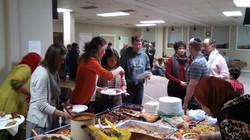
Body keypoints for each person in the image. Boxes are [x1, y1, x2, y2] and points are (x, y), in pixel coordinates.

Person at [26, 43, 72, 138]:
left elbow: (55, 93)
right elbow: (41, 105)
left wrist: (66, 102)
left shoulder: (52, 71)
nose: (63, 63)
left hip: (49, 117)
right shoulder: (42, 74)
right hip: (39, 120)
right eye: (61, 60)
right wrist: (63, 114)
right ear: (53, 59)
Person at [70, 36, 124, 111]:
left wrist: (97, 88)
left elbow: (87, 80)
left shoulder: (87, 58)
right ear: (99, 46)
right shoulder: (91, 61)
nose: (104, 52)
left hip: (83, 98)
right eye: (104, 49)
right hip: (82, 100)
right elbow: (108, 75)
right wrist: (119, 69)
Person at [0, 52, 41, 140]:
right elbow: (15, 82)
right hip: (7, 106)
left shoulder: (28, 73)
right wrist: (32, 93)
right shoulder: (25, 67)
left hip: (13, 107)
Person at [120, 35, 151, 105]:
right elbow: (121, 71)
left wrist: (147, 74)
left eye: (139, 44)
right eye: (135, 44)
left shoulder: (144, 55)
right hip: (128, 86)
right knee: (127, 107)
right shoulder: (125, 55)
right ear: (132, 43)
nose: (137, 46)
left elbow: (147, 68)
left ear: (142, 44)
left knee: (138, 106)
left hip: (139, 86)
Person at [95, 48, 127, 113]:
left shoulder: (119, 69)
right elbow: (93, 86)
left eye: (115, 60)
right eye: (111, 60)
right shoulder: (100, 69)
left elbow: (124, 84)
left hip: (117, 101)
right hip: (101, 102)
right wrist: (99, 88)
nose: (113, 62)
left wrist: (123, 90)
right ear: (106, 59)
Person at [183, 38, 209, 111]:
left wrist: (185, 102)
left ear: (191, 47)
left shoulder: (197, 63)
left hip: (195, 100)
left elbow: (192, 85)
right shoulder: (203, 59)